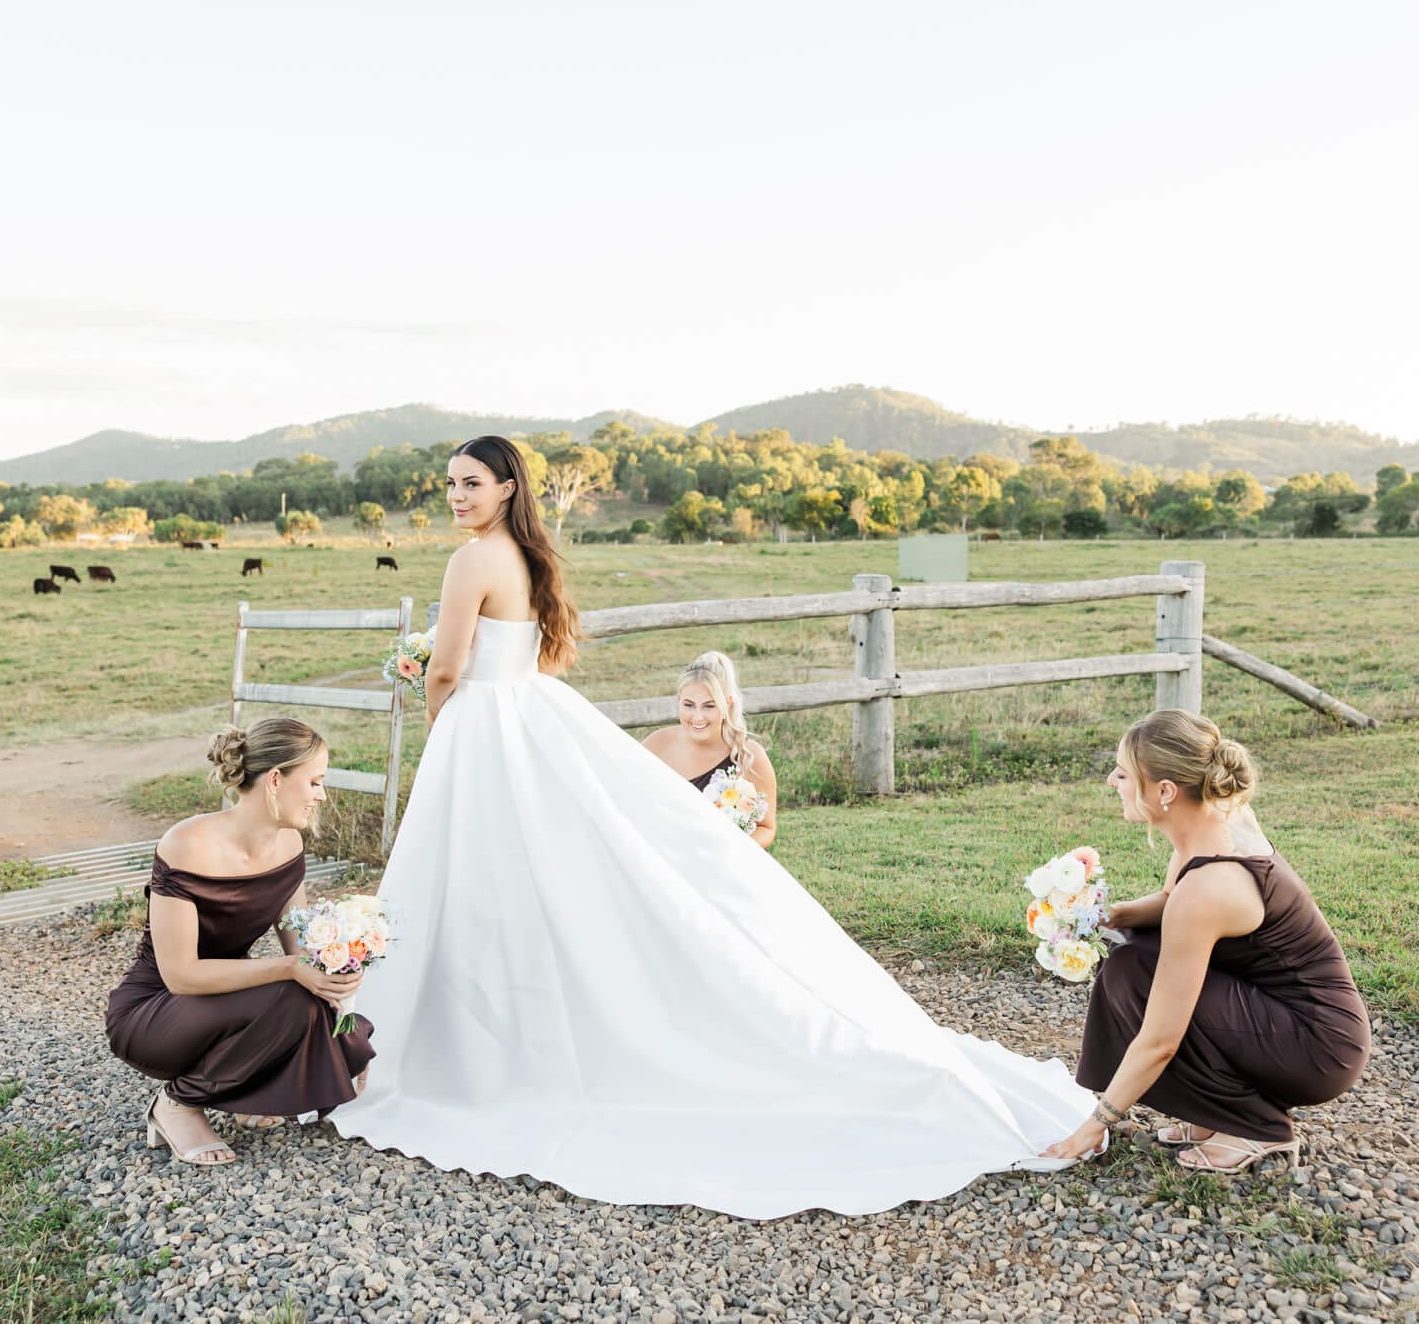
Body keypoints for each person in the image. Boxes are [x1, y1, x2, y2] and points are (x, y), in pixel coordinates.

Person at [326, 435, 1093, 1219]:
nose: (456, 496)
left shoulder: (470, 561)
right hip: (528, 715)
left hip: (485, 728)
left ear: (505, 486)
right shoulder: (523, 555)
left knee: (481, 882)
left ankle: (470, 1052)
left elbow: (450, 667)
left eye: (470, 483)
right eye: (449, 484)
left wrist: (435, 725)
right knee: (530, 878)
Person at [1040, 711, 1370, 1173]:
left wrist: (1093, 1126)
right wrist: (1100, 916)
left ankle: (1256, 1125)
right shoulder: (1213, 820)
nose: (1113, 780)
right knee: (1130, 958)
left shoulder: (1210, 887)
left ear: (1165, 791)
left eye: (1124, 772)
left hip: (1318, 1044)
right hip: (1288, 1016)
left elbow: (1160, 1040)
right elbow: (1170, 900)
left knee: (1133, 976)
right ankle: (1217, 1112)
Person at [106, 718, 376, 1167]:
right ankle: (176, 1103)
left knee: (311, 1004)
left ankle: (244, 1092)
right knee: (292, 991)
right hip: (156, 1011)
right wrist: (293, 972)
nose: (321, 795)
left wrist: (336, 977)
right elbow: (181, 975)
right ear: (275, 780)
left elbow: (299, 951)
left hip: (228, 1001)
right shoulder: (187, 844)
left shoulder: (289, 845)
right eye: (314, 782)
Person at [641, 650, 778, 849]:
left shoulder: (749, 757)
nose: (697, 717)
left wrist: (730, 851)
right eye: (689, 705)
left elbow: (766, 828)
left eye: (709, 706)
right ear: (679, 700)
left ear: (727, 704)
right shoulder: (657, 744)